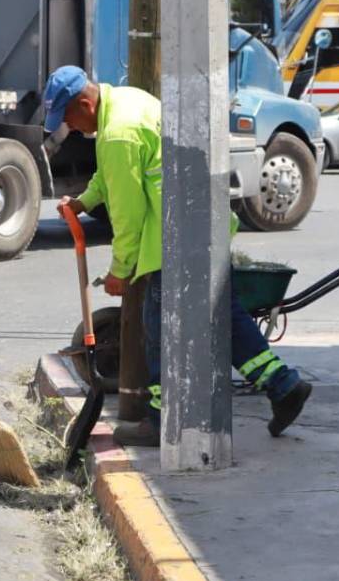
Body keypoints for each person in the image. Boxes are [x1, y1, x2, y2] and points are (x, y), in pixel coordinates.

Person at [42, 66, 312, 447]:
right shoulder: (127, 101)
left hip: (173, 240)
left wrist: (121, 270)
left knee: (159, 333)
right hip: (204, 224)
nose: (68, 127)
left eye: (68, 117)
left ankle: (159, 420)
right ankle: (283, 385)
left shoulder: (118, 133)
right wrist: (84, 201)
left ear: (84, 103)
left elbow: (128, 213)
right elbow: (112, 175)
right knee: (225, 318)